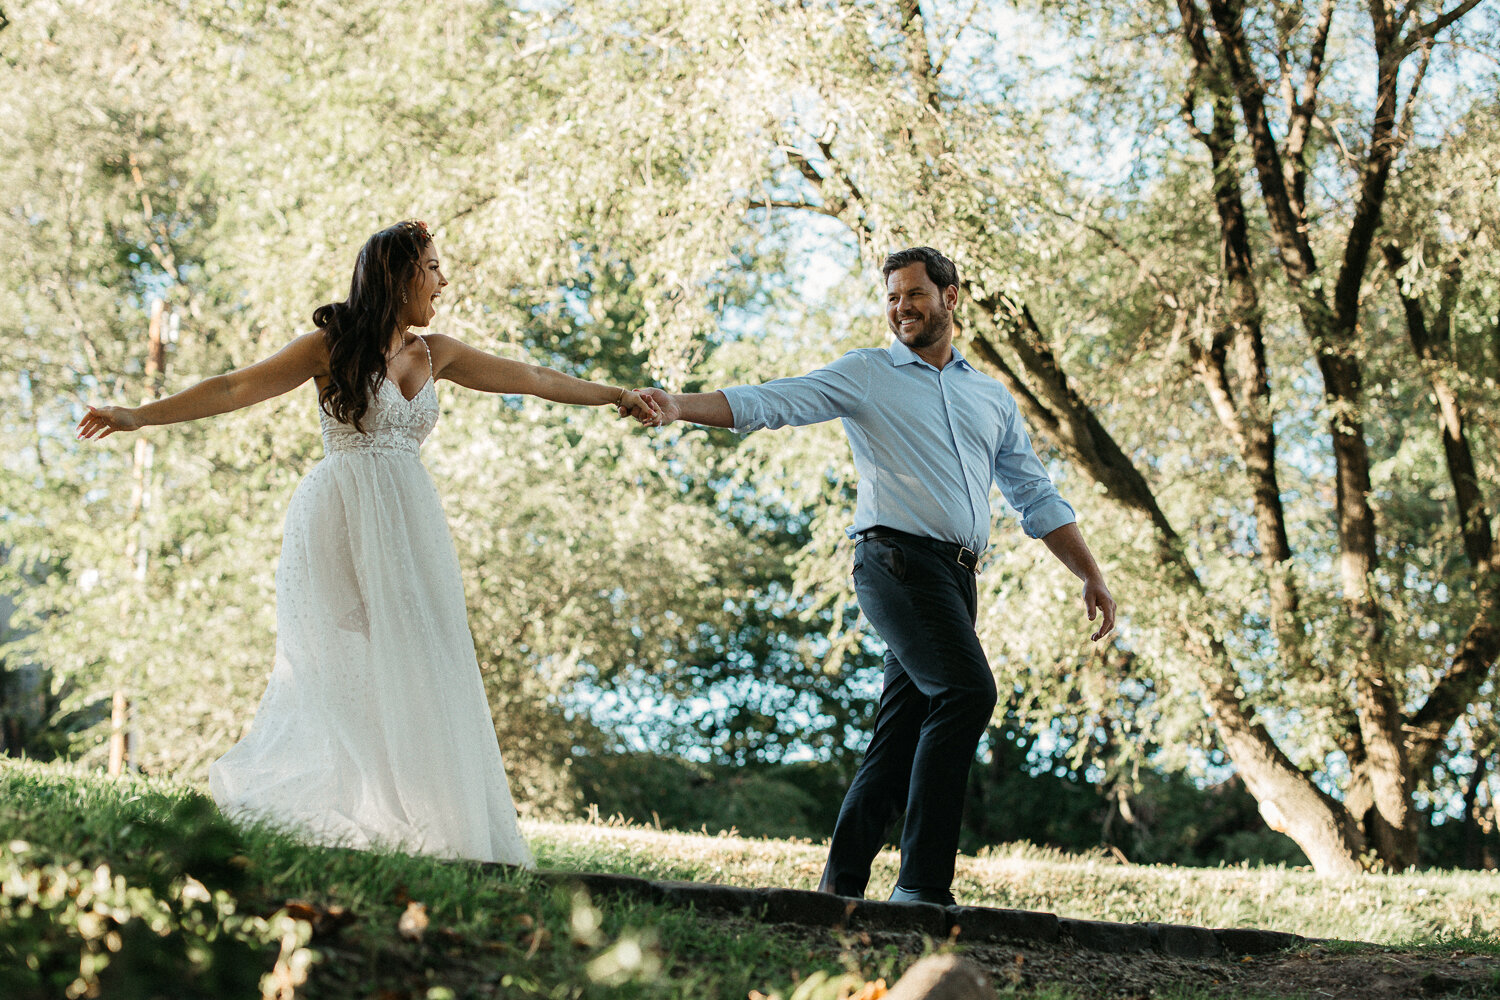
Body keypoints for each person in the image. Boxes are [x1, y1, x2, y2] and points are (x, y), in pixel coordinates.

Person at [77, 219, 658, 865]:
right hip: (338, 514)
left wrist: (616, 395)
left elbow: (531, 376)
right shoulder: (328, 346)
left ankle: (428, 819)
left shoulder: (439, 352)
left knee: (423, 655)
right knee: (339, 658)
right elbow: (235, 387)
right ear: (399, 273)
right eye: (432, 267)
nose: (442, 279)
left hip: (410, 522)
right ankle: (340, 800)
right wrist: (137, 415)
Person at [630, 247, 1115, 904]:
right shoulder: (867, 374)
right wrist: (680, 406)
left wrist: (1090, 573)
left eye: (914, 294)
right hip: (895, 562)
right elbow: (777, 400)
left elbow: (1034, 492)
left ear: (950, 297)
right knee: (967, 693)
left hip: (956, 580)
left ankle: (839, 889)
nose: (900, 307)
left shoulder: (990, 397)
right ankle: (921, 886)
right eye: (891, 297)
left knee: (900, 739)